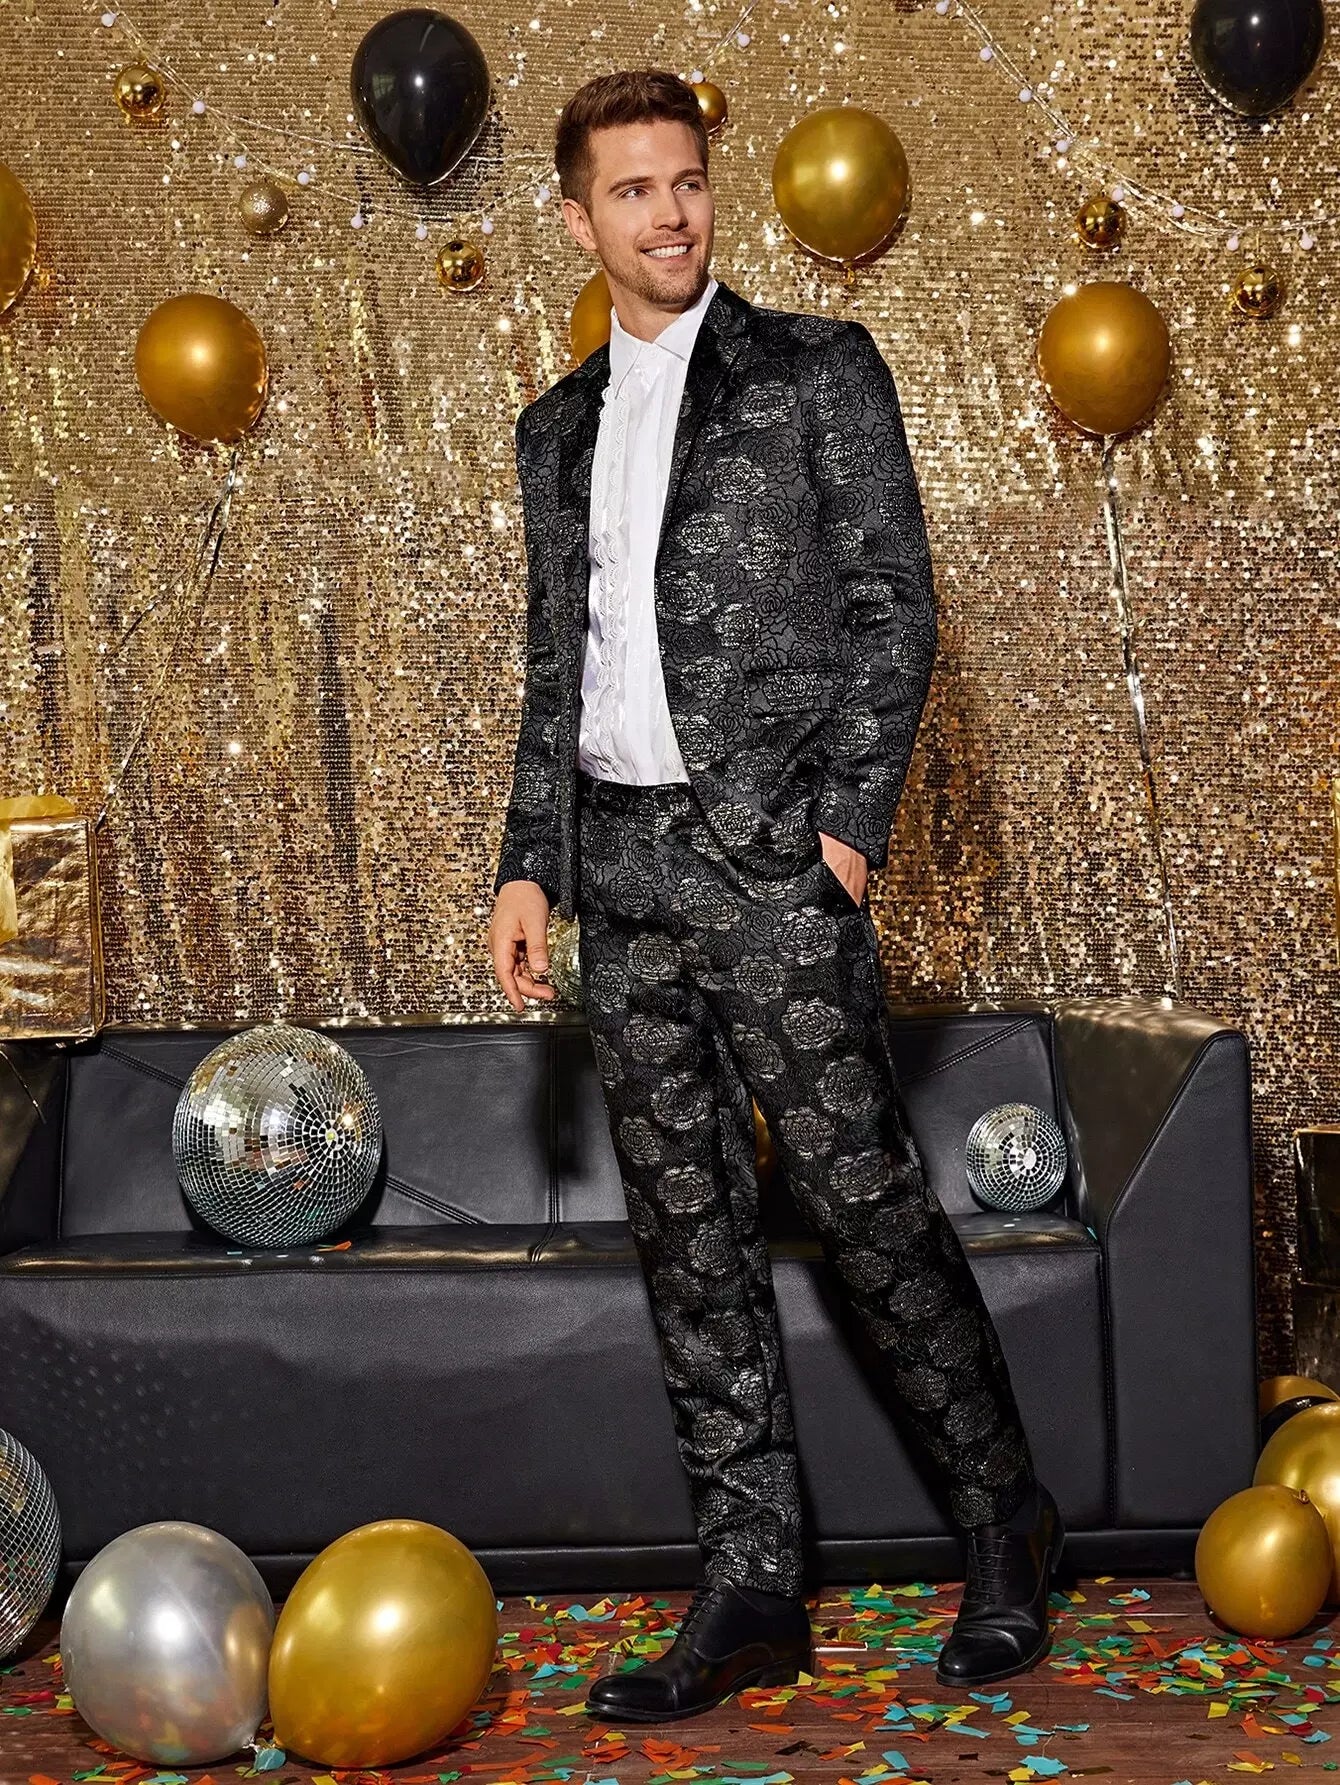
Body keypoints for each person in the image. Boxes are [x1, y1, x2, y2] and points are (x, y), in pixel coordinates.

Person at [488, 67, 1064, 1723]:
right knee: (688, 1238)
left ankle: (1002, 1518)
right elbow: (556, 665)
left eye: (686, 180)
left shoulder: (817, 369)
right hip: (619, 872)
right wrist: (529, 861)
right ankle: (750, 1582)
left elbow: (897, 602)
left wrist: (847, 837)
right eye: (633, 190)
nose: (670, 213)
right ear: (579, 219)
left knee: (866, 1205)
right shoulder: (552, 432)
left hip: (770, 867)